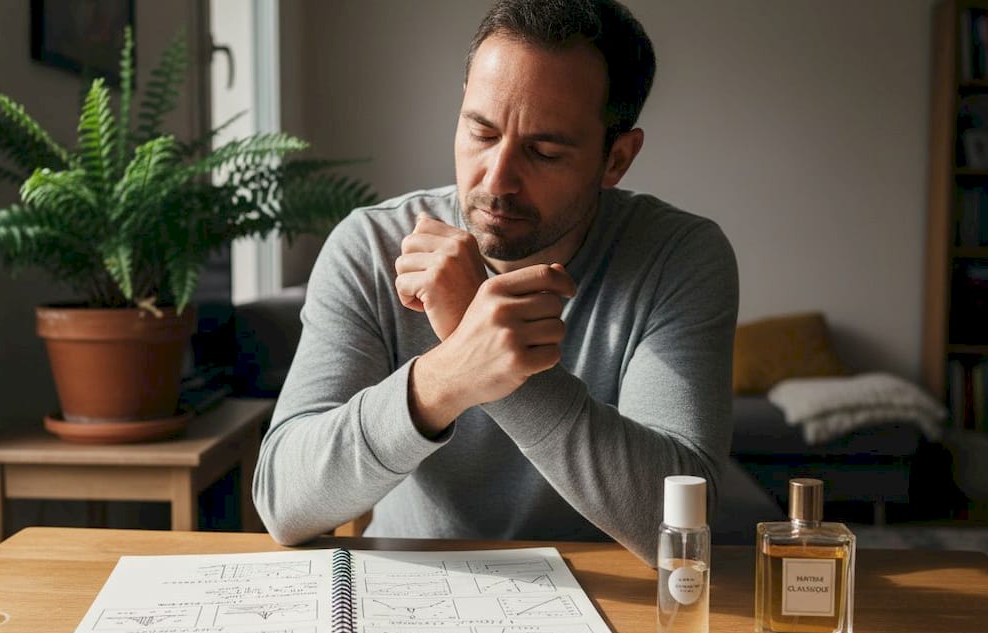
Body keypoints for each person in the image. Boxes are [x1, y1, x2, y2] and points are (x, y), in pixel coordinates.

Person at [253, 0, 740, 565]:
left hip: (614, 597)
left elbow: (677, 528)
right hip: (415, 589)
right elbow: (284, 502)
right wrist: (447, 374)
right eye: (481, 133)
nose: (497, 179)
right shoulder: (372, 247)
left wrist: (489, 346)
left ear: (617, 160)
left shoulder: (678, 258)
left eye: (544, 151)